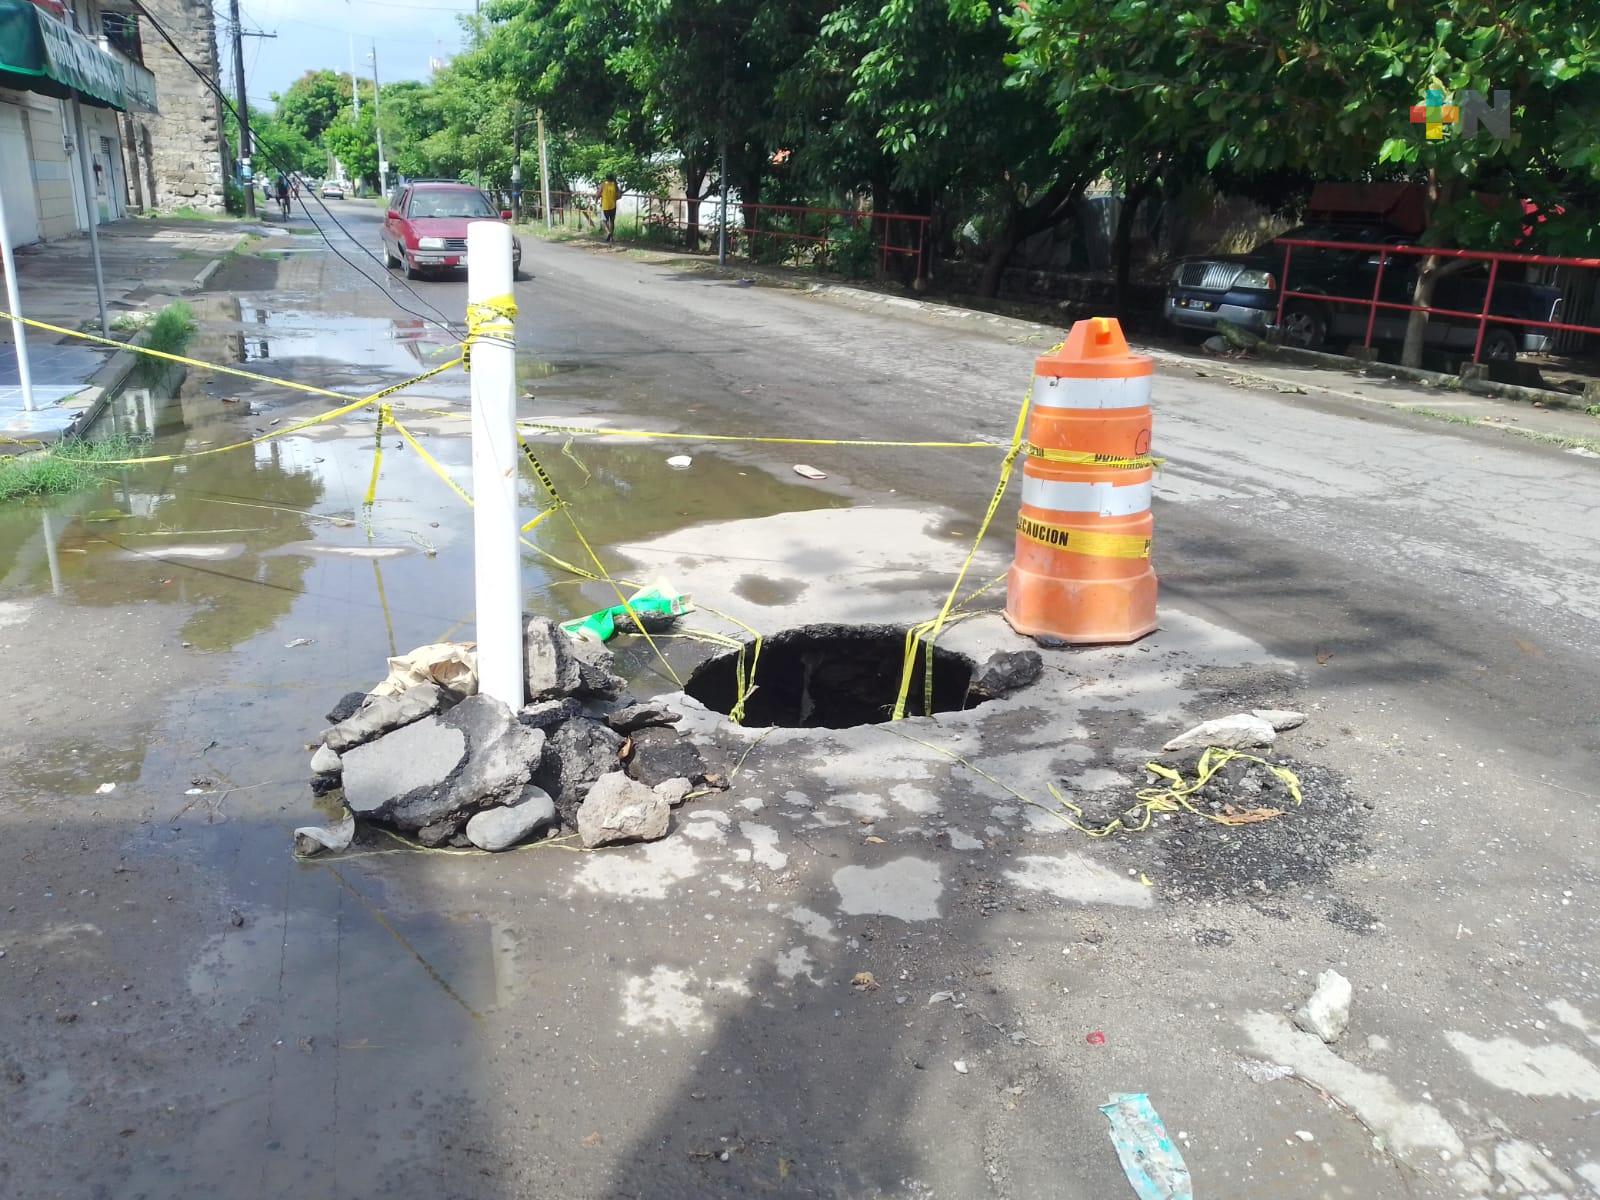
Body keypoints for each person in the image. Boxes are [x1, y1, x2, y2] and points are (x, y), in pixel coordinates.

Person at [598, 174, 619, 242]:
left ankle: (608, 233)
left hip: (605, 206)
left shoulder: (603, 185)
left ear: (606, 178)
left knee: (604, 221)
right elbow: (618, 194)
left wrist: (596, 198)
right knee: (612, 221)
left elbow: (598, 194)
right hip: (613, 205)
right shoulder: (615, 185)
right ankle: (611, 237)